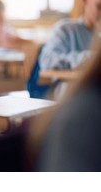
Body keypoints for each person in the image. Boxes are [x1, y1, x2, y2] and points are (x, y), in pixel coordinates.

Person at [35, 20, 101, 171]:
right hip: (64, 99)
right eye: (99, 6)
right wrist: (88, 58)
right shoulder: (84, 116)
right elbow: (48, 61)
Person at [39, 0, 101, 71]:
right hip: (73, 87)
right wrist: (93, 60)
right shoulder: (66, 31)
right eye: (99, 6)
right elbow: (48, 61)